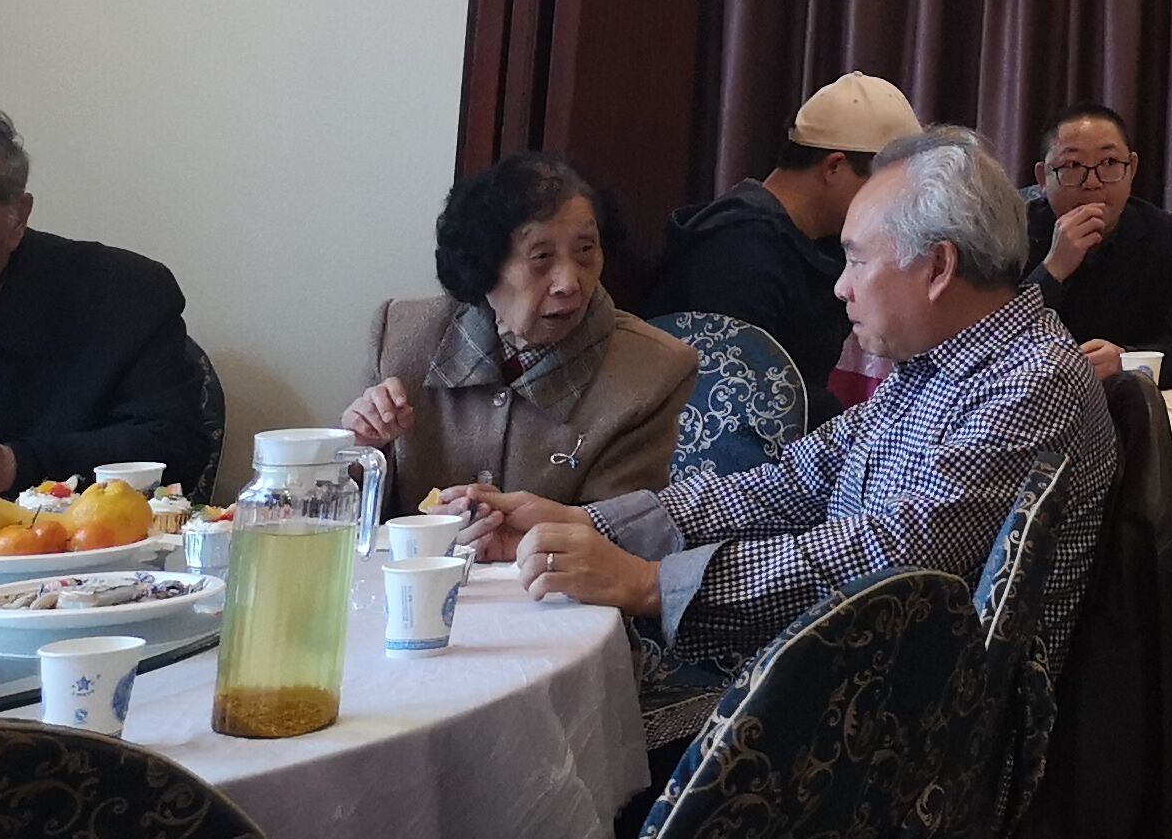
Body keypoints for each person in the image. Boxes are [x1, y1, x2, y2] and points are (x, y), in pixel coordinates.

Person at [468, 131, 1117, 695]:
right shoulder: (935, 366)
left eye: (857, 259)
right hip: (847, 683)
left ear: (939, 267)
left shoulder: (1032, 381)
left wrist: (651, 583)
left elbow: (892, 559)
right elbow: (795, 480)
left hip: (912, 743)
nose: (841, 285)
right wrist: (590, 523)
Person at [345, 151, 695, 512]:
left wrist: (515, 525)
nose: (569, 283)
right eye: (541, 257)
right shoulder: (400, 335)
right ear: (484, 265)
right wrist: (358, 450)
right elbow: (338, 515)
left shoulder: (652, 371)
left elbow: (619, 527)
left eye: (585, 250)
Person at [0, 108, 210, 494]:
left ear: (17, 217)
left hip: (73, 529)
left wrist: (17, 464)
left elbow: (176, 446)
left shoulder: (124, 294)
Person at [644, 72, 921, 417]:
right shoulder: (738, 249)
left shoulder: (823, 241)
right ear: (834, 167)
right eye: (885, 186)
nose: (892, 204)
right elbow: (738, 398)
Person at [1027, 103, 1172, 389]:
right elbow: (984, 346)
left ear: (1132, 169)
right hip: (1031, 401)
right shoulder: (1008, 235)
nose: (1092, 183)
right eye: (1072, 166)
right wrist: (1053, 270)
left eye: (1110, 163)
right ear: (1042, 178)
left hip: (1129, 404)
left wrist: (1126, 361)